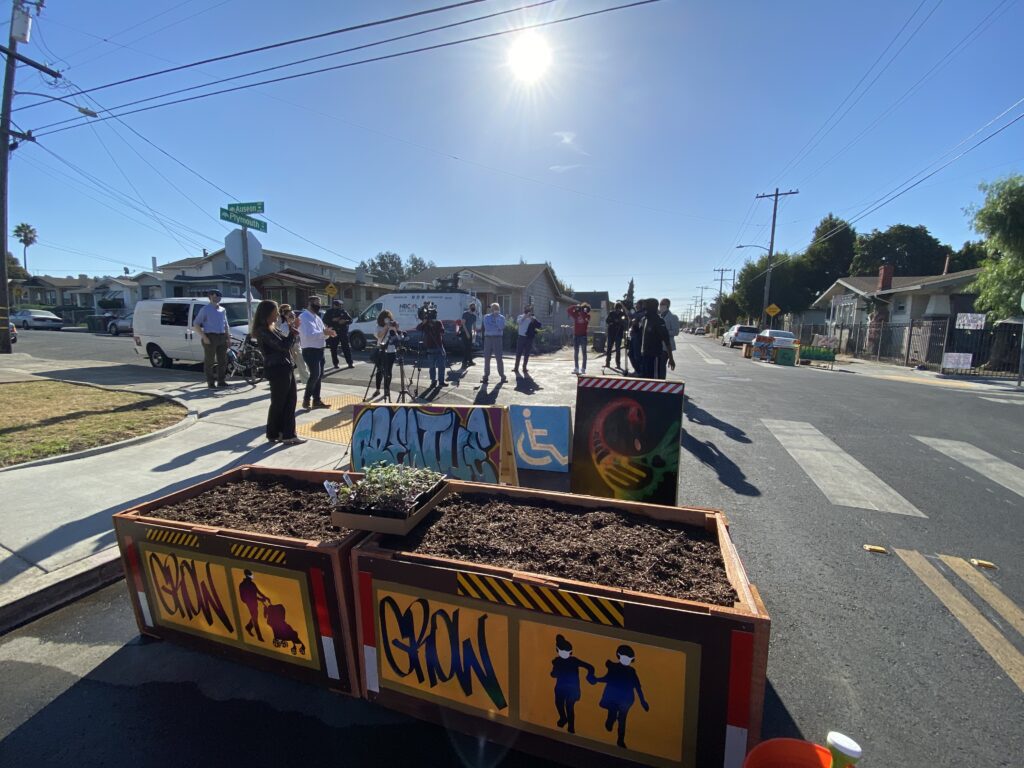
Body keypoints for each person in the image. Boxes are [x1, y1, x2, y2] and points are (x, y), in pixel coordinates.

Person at [252, 299, 305, 445]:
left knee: (286, 401)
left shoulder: (272, 327)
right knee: (282, 402)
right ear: (267, 313)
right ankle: (286, 434)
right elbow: (282, 346)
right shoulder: (263, 330)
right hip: (277, 368)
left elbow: (285, 342)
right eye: (275, 312)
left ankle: (279, 433)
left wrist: (291, 329)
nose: (278, 315)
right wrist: (292, 335)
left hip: (284, 366)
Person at [593, 644, 650, 749]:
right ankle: (610, 720)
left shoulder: (632, 672)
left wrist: (643, 701)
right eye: (625, 657)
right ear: (619, 656)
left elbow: (637, 687)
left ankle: (620, 740)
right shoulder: (614, 667)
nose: (627, 660)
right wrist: (596, 680)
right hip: (613, 696)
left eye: (630, 659)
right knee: (613, 710)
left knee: (622, 719)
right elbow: (607, 678)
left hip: (626, 699)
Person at [550, 634, 595, 735]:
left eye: (568, 652)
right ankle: (563, 718)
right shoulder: (556, 661)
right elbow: (554, 674)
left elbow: (589, 667)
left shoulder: (574, 661)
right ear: (558, 650)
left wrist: (590, 676)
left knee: (569, 707)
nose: (566, 654)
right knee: (559, 704)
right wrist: (554, 673)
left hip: (572, 689)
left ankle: (571, 726)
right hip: (560, 688)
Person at [298, 295, 335, 409]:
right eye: (316, 303)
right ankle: (306, 400)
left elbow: (322, 334)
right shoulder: (303, 317)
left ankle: (317, 400)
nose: (318, 306)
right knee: (314, 375)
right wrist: (324, 333)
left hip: (319, 350)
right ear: (309, 303)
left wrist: (328, 333)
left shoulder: (317, 318)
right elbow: (308, 335)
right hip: (310, 350)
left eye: (319, 303)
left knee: (319, 376)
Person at [193, 288, 230, 389]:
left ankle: (221, 380)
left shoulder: (223, 309)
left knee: (223, 361)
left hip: (222, 336)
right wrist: (204, 337)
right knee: (209, 361)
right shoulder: (205, 309)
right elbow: (196, 324)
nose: (217, 297)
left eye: (218, 295)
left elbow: (226, 324)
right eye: (214, 295)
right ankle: (210, 382)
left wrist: (228, 338)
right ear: (210, 297)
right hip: (210, 336)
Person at [638, 298, 674, 379]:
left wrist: (671, 358)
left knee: (654, 380)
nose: (643, 308)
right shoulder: (645, 319)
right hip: (644, 355)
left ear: (651, 307)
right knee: (645, 379)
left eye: (645, 306)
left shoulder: (659, 321)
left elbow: (667, 341)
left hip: (655, 356)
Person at [416, 303, 447, 388]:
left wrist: (434, 326)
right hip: (430, 348)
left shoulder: (438, 322)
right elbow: (418, 328)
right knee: (432, 367)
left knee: (442, 366)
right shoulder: (425, 324)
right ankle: (433, 382)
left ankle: (441, 381)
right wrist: (424, 322)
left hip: (439, 347)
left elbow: (442, 332)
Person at [277, 304, 308, 384]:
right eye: (286, 311)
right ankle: (289, 381)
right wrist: (290, 324)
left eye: (290, 310)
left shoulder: (292, 317)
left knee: (301, 361)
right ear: (282, 311)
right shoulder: (280, 320)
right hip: (287, 345)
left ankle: (306, 380)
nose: (289, 312)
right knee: (289, 364)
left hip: (296, 343)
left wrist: (294, 323)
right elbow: (284, 333)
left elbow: (298, 330)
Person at [373, 310, 401, 397]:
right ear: (382, 319)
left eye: (389, 318)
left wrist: (395, 329)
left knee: (388, 371)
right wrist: (386, 327)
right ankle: (377, 389)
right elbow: (378, 336)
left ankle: (387, 389)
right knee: (380, 371)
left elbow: (398, 338)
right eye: (386, 318)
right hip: (381, 351)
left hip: (391, 351)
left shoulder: (392, 326)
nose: (388, 320)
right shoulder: (378, 327)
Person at [238, 569, 270, 642]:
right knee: (255, 618)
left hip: (254, 603)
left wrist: (265, 597)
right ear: (248, 575)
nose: (253, 576)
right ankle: (259, 636)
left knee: (254, 616)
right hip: (250, 603)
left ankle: (248, 627)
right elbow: (248, 596)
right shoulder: (243, 585)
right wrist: (261, 599)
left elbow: (258, 592)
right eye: (251, 574)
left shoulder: (252, 584)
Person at [323, 299, 354, 369]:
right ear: (334, 305)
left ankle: (350, 363)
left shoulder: (343, 311)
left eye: (340, 305)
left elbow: (350, 320)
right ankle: (335, 363)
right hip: (334, 332)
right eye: (338, 305)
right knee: (333, 349)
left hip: (343, 332)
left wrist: (345, 321)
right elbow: (324, 320)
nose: (340, 306)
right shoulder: (329, 312)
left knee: (346, 348)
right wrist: (332, 320)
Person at [481, 302, 507, 384]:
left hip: (497, 338)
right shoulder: (486, 317)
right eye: (493, 308)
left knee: (499, 358)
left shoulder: (501, 318)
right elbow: (487, 328)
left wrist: (496, 319)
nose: (493, 309)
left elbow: (501, 327)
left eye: (495, 308)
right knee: (487, 358)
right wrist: (496, 326)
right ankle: (486, 376)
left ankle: (502, 376)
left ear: (498, 309)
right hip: (488, 338)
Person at [513, 305, 542, 376]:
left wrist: (533, 319)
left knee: (527, 353)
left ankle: (524, 368)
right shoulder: (520, 316)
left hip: (529, 338)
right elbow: (518, 322)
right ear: (524, 310)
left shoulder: (532, 318)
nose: (528, 311)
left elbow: (539, 325)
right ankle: (516, 368)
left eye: (529, 310)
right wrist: (525, 317)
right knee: (518, 353)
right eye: (527, 310)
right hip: (521, 337)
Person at [657, 298, 680, 379]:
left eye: (663, 304)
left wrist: (664, 332)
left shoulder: (673, 317)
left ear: (668, 306)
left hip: (666, 347)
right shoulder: (658, 316)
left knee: (662, 365)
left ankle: (662, 382)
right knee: (657, 366)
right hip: (657, 346)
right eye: (660, 304)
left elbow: (676, 332)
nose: (661, 306)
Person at [567, 302, 591, 375]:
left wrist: (583, 312)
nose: (582, 310)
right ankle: (576, 368)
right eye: (582, 308)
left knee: (584, 353)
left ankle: (583, 369)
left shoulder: (588, 316)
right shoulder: (576, 315)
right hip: (576, 336)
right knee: (576, 353)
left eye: (584, 309)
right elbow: (568, 310)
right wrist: (576, 306)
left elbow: (585, 319)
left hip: (583, 336)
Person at [605, 301, 627, 370]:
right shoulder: (611, 313)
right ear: (615, 308)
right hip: (611, 333)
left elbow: (625, 321)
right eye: (617, 308)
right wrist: (613, 321)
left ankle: (618, 364)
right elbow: (607, 321)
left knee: (618, 349)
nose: (618, 310)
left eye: (619, 308)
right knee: (609, 348)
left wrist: (620, 321)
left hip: (618, 334)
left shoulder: (622, 314)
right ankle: (607, 363)